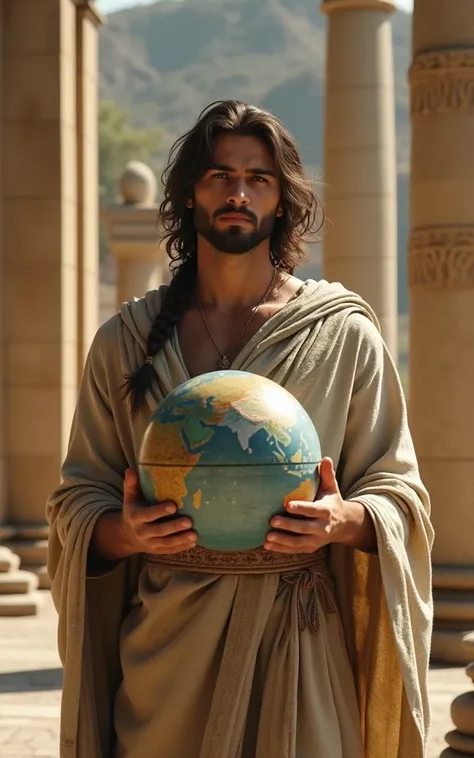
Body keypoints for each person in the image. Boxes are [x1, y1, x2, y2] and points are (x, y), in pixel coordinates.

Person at [47, 99, 433, 758]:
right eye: (220, 175)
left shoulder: (343, 335)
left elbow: (401, 494)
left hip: (300, 643)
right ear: (189, 196)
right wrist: (122, 531)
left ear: (283, 201)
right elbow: (78, 496)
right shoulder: (126, 341)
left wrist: (344, 521)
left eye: (258, 178)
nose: (238, 192)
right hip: (164, 659)